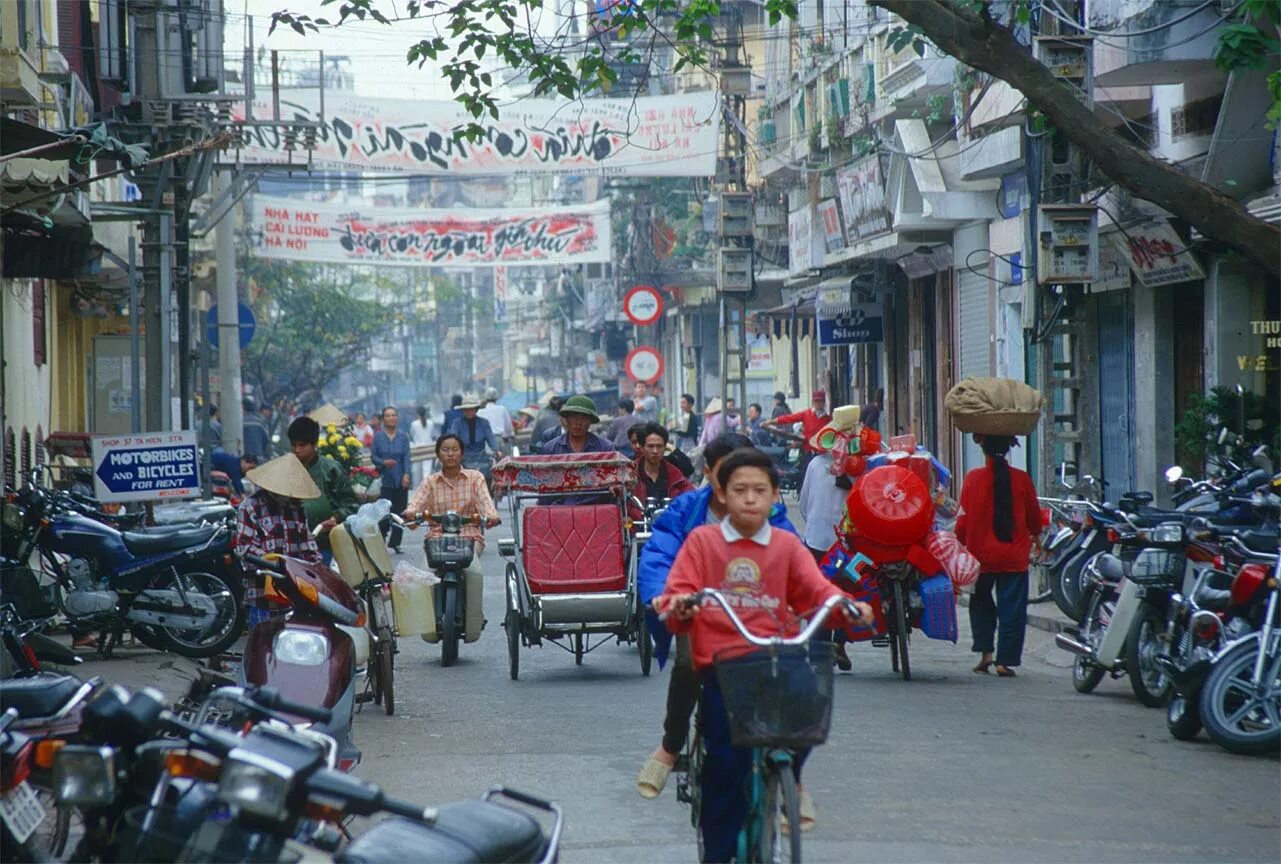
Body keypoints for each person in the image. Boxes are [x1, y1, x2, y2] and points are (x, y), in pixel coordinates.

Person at [652, 449, 869, 860]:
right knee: (725, 772)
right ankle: (718, 852)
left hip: (774, 656)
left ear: (774, 497)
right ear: (722, 495)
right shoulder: (703, 541)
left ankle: (790, 779)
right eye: (740, 490)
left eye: (759, 490)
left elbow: (815, 588)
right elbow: (680, 586)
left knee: (808, 696)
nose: (750, 499)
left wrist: (846, 603)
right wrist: (679, 603)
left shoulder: (787, 545)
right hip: (723, 661)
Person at [634, 434, 793, 800]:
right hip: (698, 610)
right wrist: (662, 595)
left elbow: (796, 560)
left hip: (757, 613)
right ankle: (672, 745)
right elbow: (660, 554)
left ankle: (791, 778)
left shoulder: (769, 512)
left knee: (794, 669)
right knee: (689, 662)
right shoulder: (687, 510)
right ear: (710, 474)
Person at [958, 433, 1042, 677]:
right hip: (1013, 556)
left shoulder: (973, 478)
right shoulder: (1022, 479)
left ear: (982, 447)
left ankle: (986, 654)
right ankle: (1005, 661)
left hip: (980, 556)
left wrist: (959, 543)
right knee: (1012, 609)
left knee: (981, 604)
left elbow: (963, 519)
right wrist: (1036, 535)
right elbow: (1033, 516)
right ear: (1008, 449)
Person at [232, 454, 323, 627]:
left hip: (294, 597)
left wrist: (315, 568)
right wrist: (279, 563)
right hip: (262, 598)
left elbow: (308, 545)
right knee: (263, 650)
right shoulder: (250, 506)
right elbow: (245, 549)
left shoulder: (297, 507)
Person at [798, 435, 855, 671]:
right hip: (848, 543)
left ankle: (819, 646)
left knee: (817, 593)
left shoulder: (815, 464)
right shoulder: (859, 468)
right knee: (844, 590)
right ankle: (839, 644)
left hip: (817, 539)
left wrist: (813, 522)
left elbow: (803, 504)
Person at [287, 416, 359, 560]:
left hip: (326, 543)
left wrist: (336, 517)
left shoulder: (332, 469)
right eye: (294, 445)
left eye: (302, 445)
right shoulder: (285, 470)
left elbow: (352, 504)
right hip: (291, 544)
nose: (297, 450)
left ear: (314, 445)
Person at [372, 406, 412, 553]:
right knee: (383, 511)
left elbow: (407, 457)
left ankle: (396, 542)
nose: (391, 418)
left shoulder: (403, 436)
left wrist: (407, 474)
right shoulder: (378, 437)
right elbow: (373, 457)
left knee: (400, 511)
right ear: (383, 419)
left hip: (400, 477)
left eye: (394, 415)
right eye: (388, 416)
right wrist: (383, 463)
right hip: (384, 479)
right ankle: (381, 540)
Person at [763, 390, 831, 473]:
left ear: (824, 402)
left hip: (822, 454)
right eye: (816, 401)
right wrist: (770, 422)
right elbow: (789, 418)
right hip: (807, 452)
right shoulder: (806, 414)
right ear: (813, 402)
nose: (818, 403)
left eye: (820, 401)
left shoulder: (828, 419)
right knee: (805, 474)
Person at [635, 424, 696, 503]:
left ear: (665, 447)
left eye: (659, 446)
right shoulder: (630, 474)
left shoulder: (674, 474)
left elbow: (692, 496)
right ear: (642, 448)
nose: (655, 451)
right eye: (650, 446)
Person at [445, 395, 502, 470]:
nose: (468, 412)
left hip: (481, 457)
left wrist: (497, 450)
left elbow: (490, 437)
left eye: (471, 409)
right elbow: (453, 438)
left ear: (476, 409)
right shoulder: (457, 423)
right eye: (466, 409)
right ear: (463, 410)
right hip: (463, 458)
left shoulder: (484, 423)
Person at [409, 405, 435, 485]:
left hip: (417, 449)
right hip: (428, 448)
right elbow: (432, 435)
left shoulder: (414, 424)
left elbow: (412, 435)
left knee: (417, 472)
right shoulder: (431, 423)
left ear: (417, 414)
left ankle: (418, 488)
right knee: (427, 471)